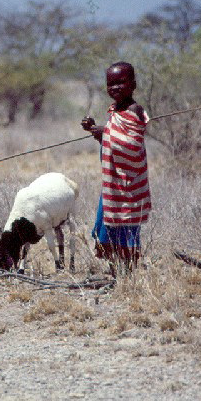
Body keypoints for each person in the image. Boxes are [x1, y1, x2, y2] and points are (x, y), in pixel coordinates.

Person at [81, 62, 151, 274]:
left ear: (133, 85)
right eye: (111, 84)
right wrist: (96, 130)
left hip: (129, 184)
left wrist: (106, 133)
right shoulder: (115, 111)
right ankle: (115, 270)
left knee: (127, 226)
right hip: (113, 184)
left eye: (121, 82)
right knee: (108, 225)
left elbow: (132, 144)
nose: (115, 87)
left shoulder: (135, 110)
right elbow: (111, 143)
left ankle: (129, 272)